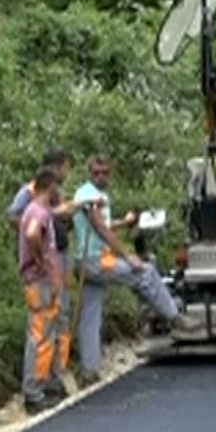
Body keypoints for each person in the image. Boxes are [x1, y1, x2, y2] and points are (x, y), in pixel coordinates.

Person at [69, 156, 180, 385]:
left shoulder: (94, 194)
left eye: (104, 172)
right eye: (96, 172)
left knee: (90, 314)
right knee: (145, 272)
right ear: (89, 172)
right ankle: (175, 318)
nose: (100, 176)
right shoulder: (88, 194)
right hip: (96, 261)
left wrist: (124, 222)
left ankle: (89, 371)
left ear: (110, 173)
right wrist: (127, 255)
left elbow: (104, 225)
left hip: (87, 262)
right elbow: (99, 228)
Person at [18, 166, 71, 414]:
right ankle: (33, 392)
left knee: (46, 335)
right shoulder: (38, 212)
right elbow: (32, 234)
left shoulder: (37, 210)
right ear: (49, 187)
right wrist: (40, 261)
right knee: (40, 335)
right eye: (55, 189)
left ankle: (44, 385)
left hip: (44, 282)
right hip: (39, 282)